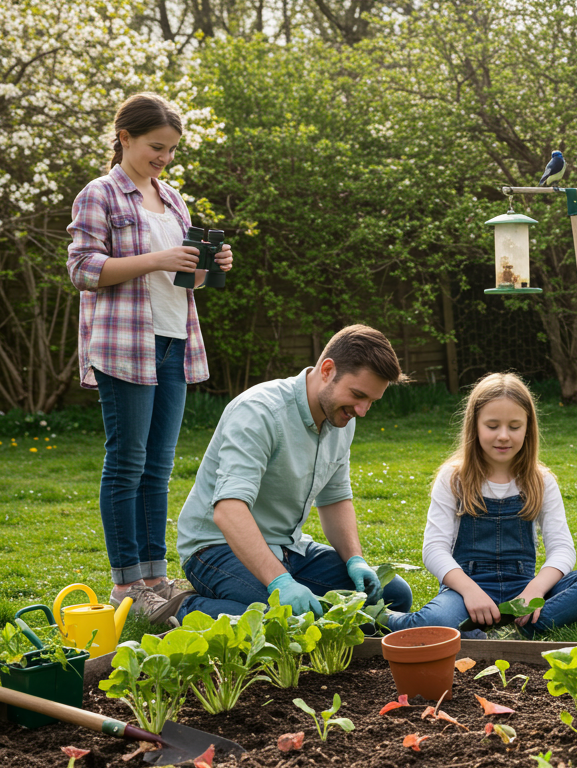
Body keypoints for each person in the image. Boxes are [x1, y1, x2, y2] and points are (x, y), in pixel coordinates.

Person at [66, 93, 235, 624]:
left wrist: (211, 265)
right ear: (125, 138)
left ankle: (156, 578)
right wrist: (156, 258)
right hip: (124, 344)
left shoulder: (173, 198)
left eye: (170, 150)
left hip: (173, 341)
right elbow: (83, 268)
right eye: (155, 147)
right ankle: (126, 585)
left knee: (158, 468)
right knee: (127, 464)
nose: (163, 157)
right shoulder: (100, 195)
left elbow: (184, 281)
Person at [172, 325, 415, 624]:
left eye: (371, 402)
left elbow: (335, 499)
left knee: (394, 595)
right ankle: (187, 608)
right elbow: (228, 511)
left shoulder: (341, 419)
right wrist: (280, 582)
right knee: (289, 620)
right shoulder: (259, 412)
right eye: (358, 395)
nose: (362, 411)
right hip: (216, 548)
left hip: (290, 547)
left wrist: (355, 559)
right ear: (327, 370)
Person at [387, 373, 577, 637]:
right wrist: (471, 592)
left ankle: (493, 631)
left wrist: (535, 590)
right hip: (465, 592)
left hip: (522, 591)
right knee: (438, 620)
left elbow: (562, 549)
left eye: (514, 427)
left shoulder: (542, 481)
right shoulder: (453, 479)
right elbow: (434, 549)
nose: (503, 436)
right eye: (492, 426)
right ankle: (390, 621)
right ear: (475, 426)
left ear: (528, 427)